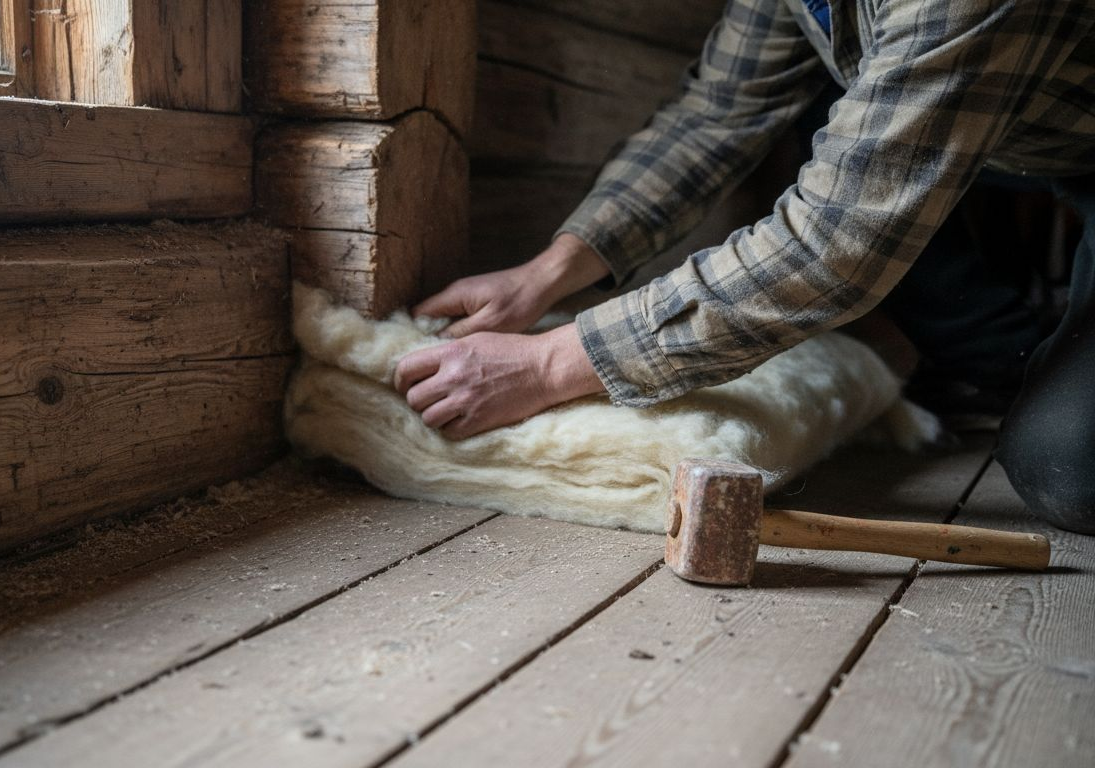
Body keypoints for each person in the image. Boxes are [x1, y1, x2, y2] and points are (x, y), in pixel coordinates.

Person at [392, 0, 1095, 534]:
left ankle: (1037, 371)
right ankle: (1021, 357)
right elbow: (718, 112)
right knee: (832, 115)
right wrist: (546, 273)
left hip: (1049, 139)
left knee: (1068, 467)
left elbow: (836, 244)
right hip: (1024, 136)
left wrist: (549, 365)